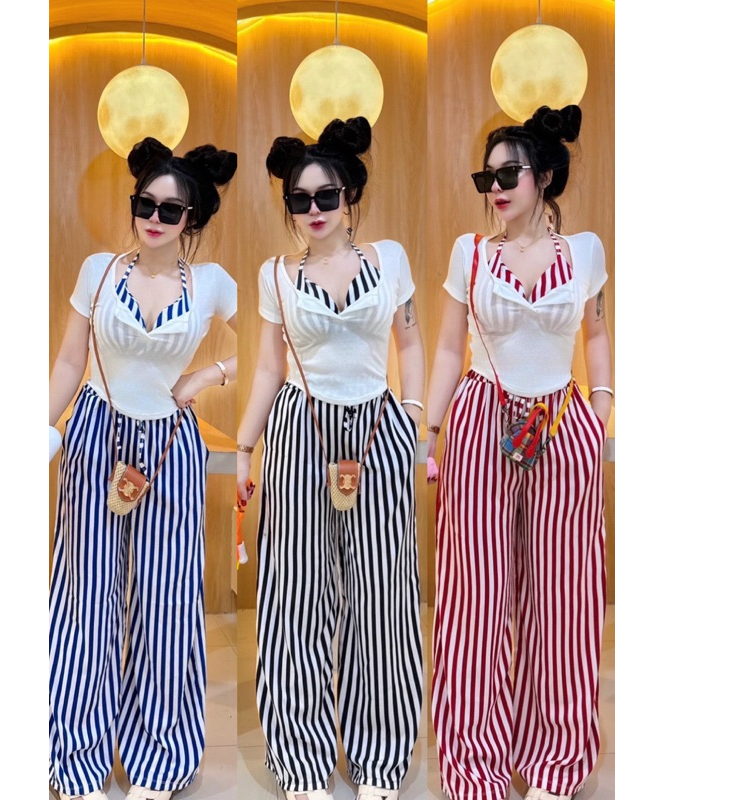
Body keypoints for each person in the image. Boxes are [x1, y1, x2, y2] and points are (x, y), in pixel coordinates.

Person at [426, 105, 612, 800]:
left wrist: (601, 409)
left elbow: (596, 334)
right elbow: (449, 349)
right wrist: (429, 429)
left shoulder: (585, 252)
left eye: (509, 174)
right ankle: (475, 761)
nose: (496, 188)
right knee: (474, 596)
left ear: (545, 176)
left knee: (565, 596)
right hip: (482, 420)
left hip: (562, 422)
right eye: (487, 177)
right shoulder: (470, 253)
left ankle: (555, 758)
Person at [236, 117, 424, 800]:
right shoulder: (275, 275)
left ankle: (379, 758)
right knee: (295, 598)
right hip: (299, 430)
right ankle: (303, 763)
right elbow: (267, 369)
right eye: (299, 198)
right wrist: (245, 448)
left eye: (326, 195)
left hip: (379, 428)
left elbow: (410, 345)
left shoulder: (390, 259)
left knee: (383, 597)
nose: (313, 209)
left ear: (351, 196)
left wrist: (412, 422)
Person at [48, 137, 238, 800]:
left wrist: (206, 376)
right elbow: (70, 361)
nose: (154, 218)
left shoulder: (212, 284)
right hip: (96, 431)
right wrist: (40, 426)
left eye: (170, 209)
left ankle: (160, 754)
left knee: (167, 600)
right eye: (144, 203)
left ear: (192, 217)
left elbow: (274, 343)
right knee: (86, 599)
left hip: (170, 445)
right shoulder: (99, 271)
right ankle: (79, 755)